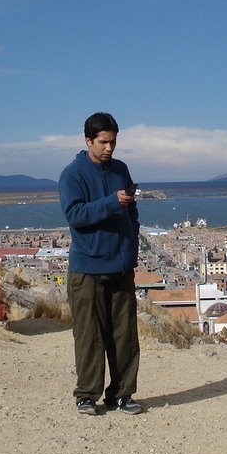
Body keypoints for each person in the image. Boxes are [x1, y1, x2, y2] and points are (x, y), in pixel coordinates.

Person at [58, 112, 142, 416]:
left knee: (124, 335)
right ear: (88, 141)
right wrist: (111, 202)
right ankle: (87, 395)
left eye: (113, 141)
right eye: (104, 142)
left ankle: (122, 394)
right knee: (89, 335)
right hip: (87, 269)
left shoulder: (121, 169)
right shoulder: (72, 174)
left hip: (120, 266)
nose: (109, 147)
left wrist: (131, 243)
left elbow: (132, 210)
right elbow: (76, 215)